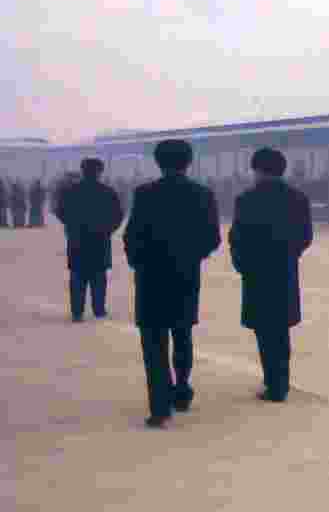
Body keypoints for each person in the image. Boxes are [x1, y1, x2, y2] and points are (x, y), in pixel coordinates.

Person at [124, 140, 221, 428]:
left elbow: (132, 235)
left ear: (158, 162)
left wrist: (138, 262)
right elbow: (212, 237)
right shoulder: (202, 194)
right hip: (185, 274)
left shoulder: (144, 194)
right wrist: (192, 257)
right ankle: (181, 389)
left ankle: (159, 405)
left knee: (153, 341)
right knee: (182, 333)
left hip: (151, 276)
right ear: (188, 162)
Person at [228, 148, 313, 403]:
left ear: (257, 170)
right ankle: (280, 380)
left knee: (264, 329)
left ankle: (273, 381)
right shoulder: (298, 198)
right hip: (284, 269)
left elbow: (237, 238)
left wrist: (242, 264)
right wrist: (290, 253)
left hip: (256, 272)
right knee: (281, 328)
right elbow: (305, 236)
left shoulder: (246, 199)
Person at [55, 159, 124, 322]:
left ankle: (77, 311)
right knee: (98, 277)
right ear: (100, 172)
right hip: (100, 240)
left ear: (82, 171)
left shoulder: (71, 191)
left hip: (77, 240)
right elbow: (118, 215)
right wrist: (107, 230)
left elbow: (60, 211)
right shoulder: (108, 192)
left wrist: (72, 225)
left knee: (77, 277)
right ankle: (98, 309)